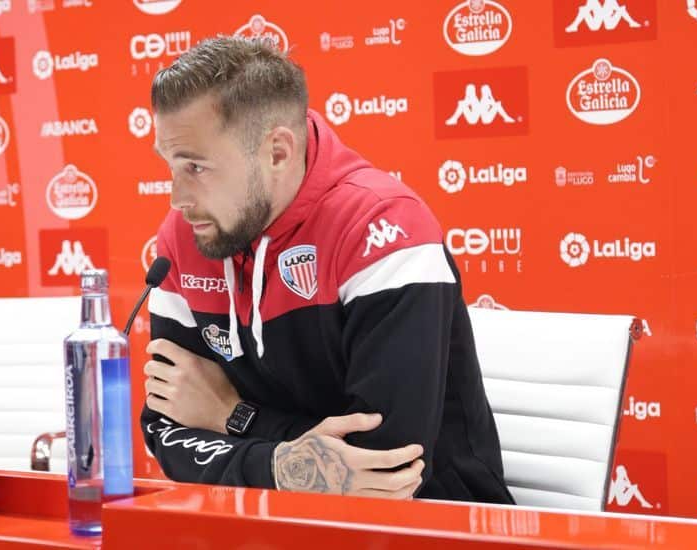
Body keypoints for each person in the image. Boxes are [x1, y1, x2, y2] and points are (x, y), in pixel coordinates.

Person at [140, 36, 514, 503]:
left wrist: (233, 417)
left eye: (196, 166)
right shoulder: (186, 235)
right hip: (264, 525)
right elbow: (167, 429)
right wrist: (290, 464)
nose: (178, 197)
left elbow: (384, 468)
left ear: (277, 151)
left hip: (430, 524)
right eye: (171, 164)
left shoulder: (384, 228)